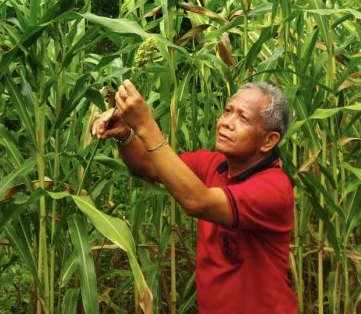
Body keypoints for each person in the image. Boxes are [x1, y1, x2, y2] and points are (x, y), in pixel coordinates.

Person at [91, 79, 298, 313]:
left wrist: (146, 126)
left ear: (269, 141)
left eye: (243, 118)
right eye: (228, 111)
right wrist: (125, 134)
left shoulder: (273, 188)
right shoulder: (212, 164)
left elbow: (198, 201)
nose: (227, 123)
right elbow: (148, 164)